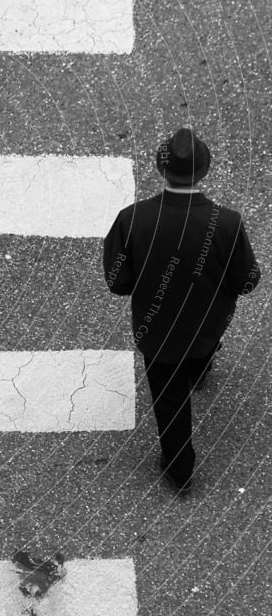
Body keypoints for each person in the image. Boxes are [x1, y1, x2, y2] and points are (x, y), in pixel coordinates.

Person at [103, 128, 261, 494]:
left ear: (162, 170)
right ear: (204, 171)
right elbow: (247, 281)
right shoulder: (228, 223)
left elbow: (118, 282)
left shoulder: (133, 219)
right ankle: (200, 372)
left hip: (158, 334)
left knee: (170, 398)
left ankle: (180, 471)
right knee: (201, 352)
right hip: (208, 326)